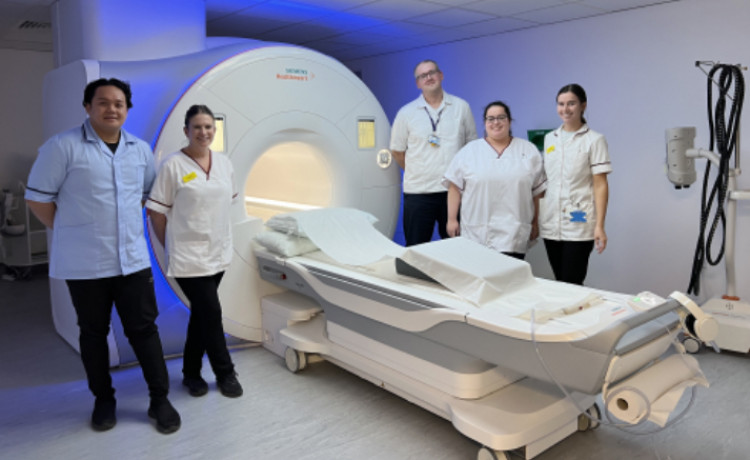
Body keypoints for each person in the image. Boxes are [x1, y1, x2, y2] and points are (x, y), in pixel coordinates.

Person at [24, 78, 181, 434]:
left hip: (132, 260)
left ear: (127, 109)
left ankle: (160, 399)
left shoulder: (139, 150)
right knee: (93, 333)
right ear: (88, 107)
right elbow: (37, 199)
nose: (112, 109)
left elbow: (146, 196)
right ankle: (104, 400)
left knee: (144, 330)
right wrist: (71, 231)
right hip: (84, 265)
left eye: (119, 103)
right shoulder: (62, 147)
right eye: (103, 102)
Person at [146, 105, 243, 399]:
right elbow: (156, 213)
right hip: (188, 257)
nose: (204, 132)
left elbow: (229, 202)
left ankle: (190, 373)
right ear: (186, 130)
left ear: (215, 131)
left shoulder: (224, 163)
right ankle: (225, 372)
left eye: (209, 127)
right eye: (197, 127)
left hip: (218, 252)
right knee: (211, 313)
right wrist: (171, 248)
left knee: (202, 316)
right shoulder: (173, 166)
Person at [444, 101, 547, 259]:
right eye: (490, 119)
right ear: (484, 123)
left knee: (509, 279)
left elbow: (538, 193)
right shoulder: (469, 152)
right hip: (477, 232)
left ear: (509, 121)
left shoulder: (528, 151)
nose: (496, 122)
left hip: (514, 232)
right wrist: (451, 220)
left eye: (501, 117)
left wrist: (535, 222)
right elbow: (454, 187)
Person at [390, 59, 477, 246]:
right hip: (419, 193)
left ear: (441, 75)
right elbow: (397, 151)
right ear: (418, 83)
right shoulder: (406, 113)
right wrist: (417, 169)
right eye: (423, 76)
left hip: (453, 192)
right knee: (416, 249)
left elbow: (471, 147)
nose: (428, 78)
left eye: (432, 72)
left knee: (459, 248)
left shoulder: (461, 107)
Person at [539, 83, 612, 285]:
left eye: (571, 103)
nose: (566, 109)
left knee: (572, 283)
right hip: (552, 222)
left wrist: (600, 226)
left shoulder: (594, 140)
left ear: (583, 106)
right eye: (561, 104)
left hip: (579, 223)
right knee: (560, 282)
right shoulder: (549, 139)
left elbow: (600, 185)